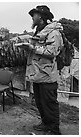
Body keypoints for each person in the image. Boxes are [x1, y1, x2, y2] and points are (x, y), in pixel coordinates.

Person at [18, 5, 63, 135]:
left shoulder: (54, 32)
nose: (32, 17)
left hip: (48, 76)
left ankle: (54, 129)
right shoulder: (39, 32)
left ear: (41, 17)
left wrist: (32, 48)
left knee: (49, 103)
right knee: (40, 103)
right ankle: (45, 124)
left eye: (34, 15)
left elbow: (52, 51)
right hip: (38, 75)